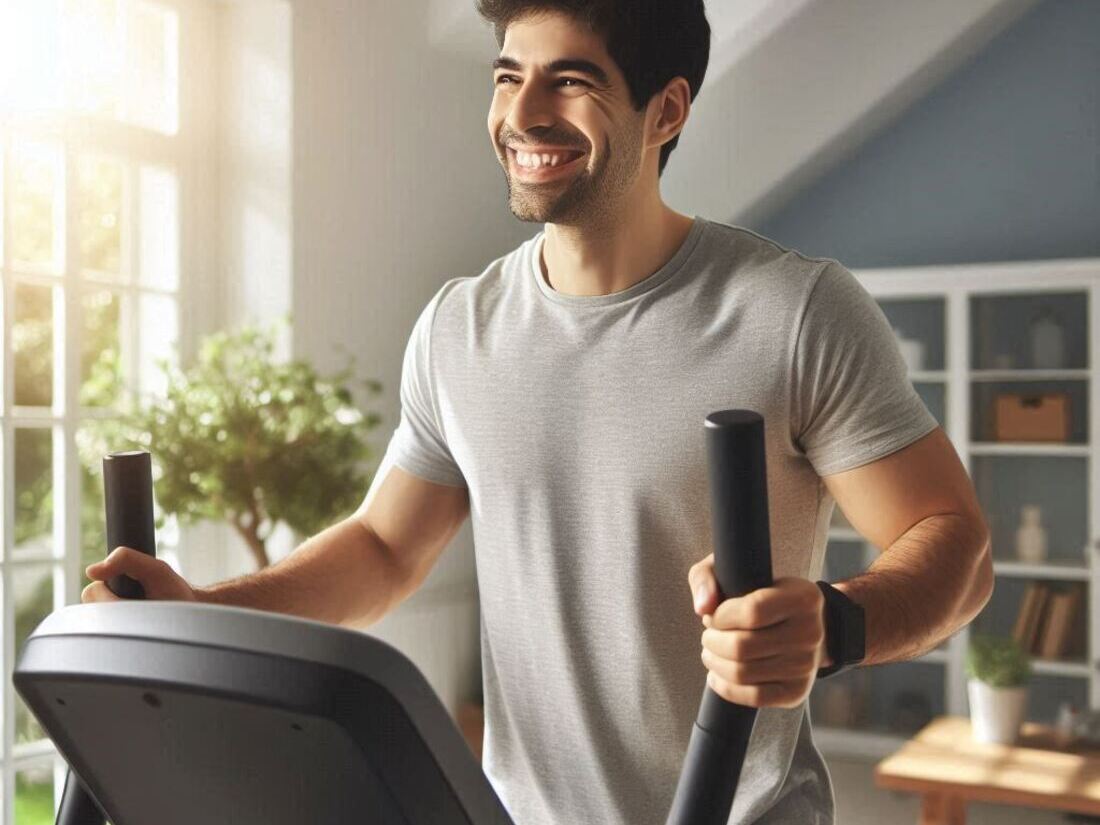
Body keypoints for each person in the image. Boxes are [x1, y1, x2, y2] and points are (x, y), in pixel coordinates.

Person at [83, 1, 994, 822]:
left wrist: (837, 620)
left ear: (667, 110)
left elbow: (952, 540)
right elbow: (385, 548)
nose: (521, 115)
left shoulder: (791, 312)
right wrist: (202, 608)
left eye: (570, 80)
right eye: (509, 77)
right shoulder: (458, 327)